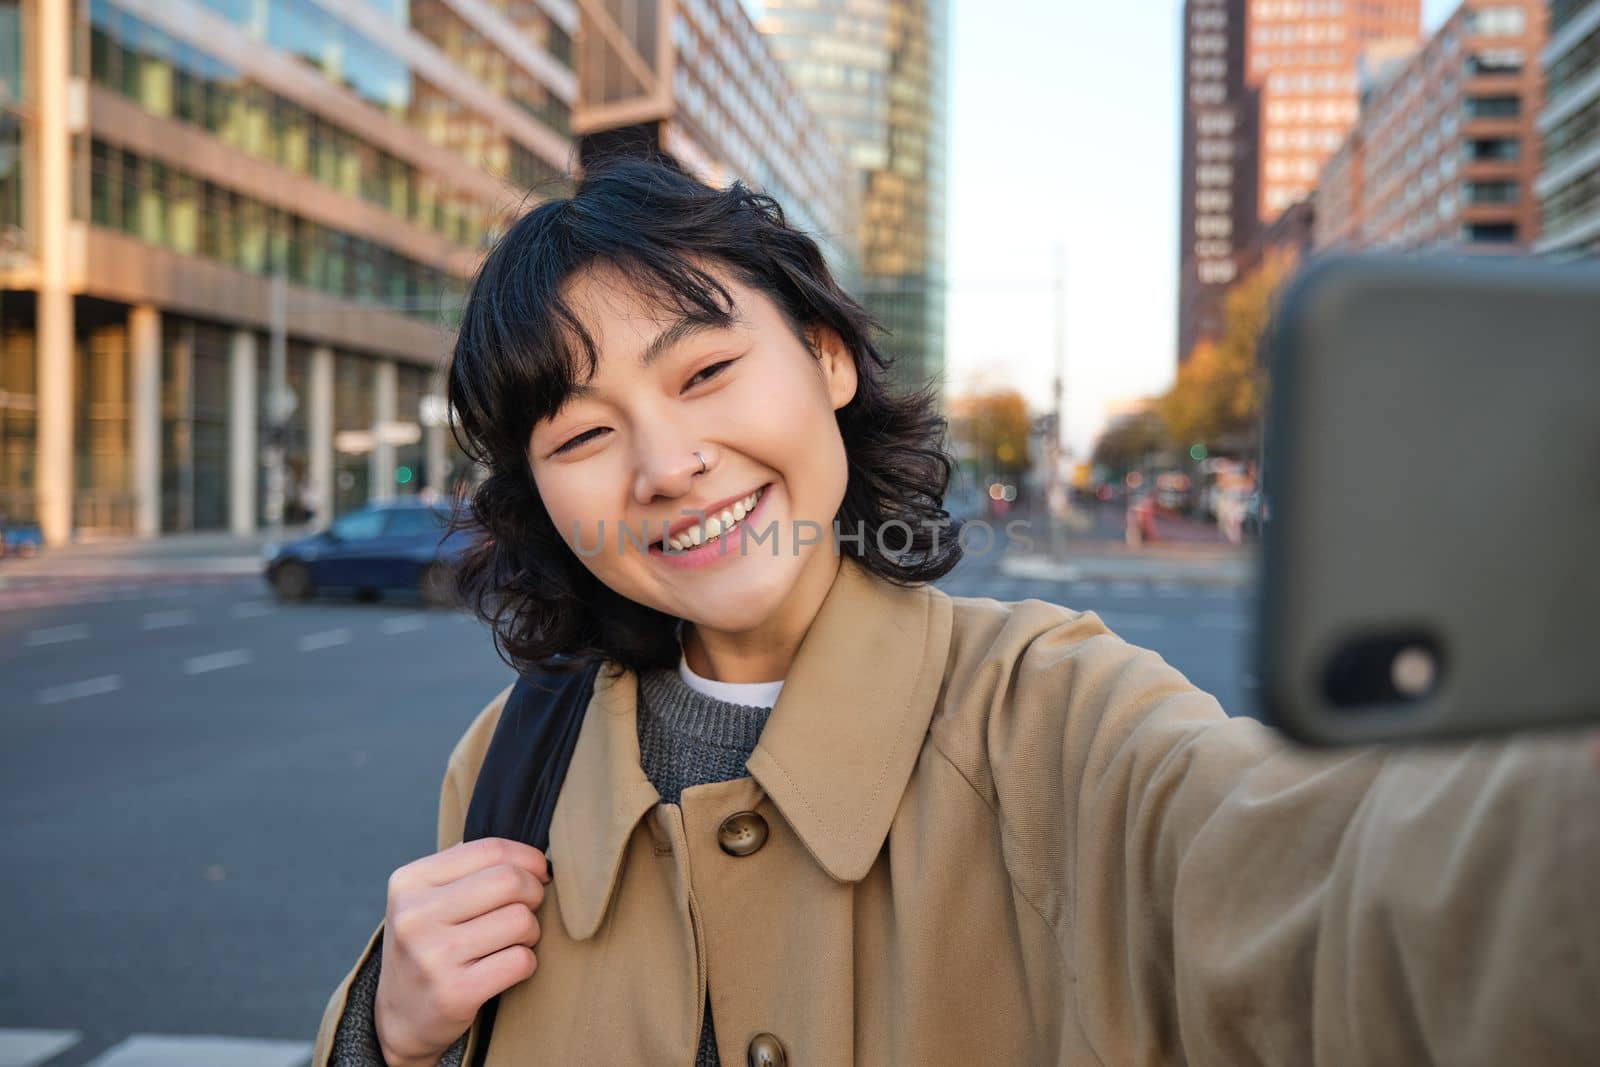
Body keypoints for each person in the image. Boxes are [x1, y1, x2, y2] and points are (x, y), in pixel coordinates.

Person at [312, 156, 1598, 1067]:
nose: (665, 462)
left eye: (705, 370)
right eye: (584, 432)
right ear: (536, 488)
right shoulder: (508, 760)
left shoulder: (1053, 710)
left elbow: (1354, 899)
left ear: (823, 357)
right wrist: (388, 1033)